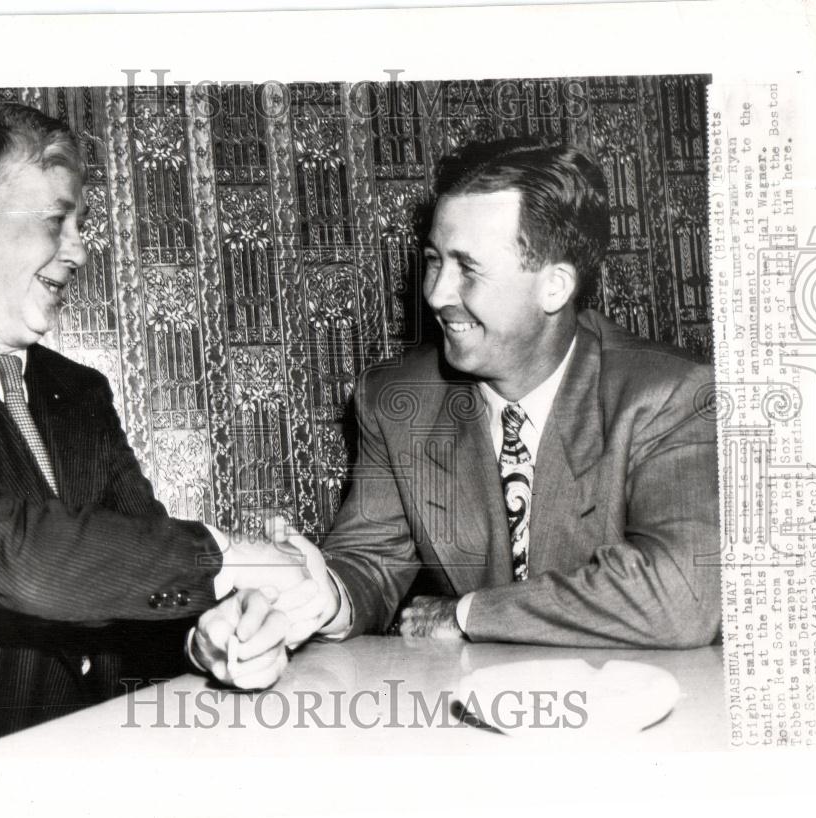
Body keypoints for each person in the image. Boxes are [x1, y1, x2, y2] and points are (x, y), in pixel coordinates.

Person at [0, 101, 326, 758]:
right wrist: (227, 556)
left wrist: (212, 638)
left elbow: (133, 570)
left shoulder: (80, 391)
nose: (80, 250)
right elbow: (16, 559)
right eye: (58, 221)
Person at [267, 138, 721, 650]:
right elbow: (368, 561)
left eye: (469, 268)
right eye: (435, 260)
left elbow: (682, 597)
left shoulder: (671, 395)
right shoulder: (397, 400)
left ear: (554, 287)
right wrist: (324, 594)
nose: (436, 294)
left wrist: (468, 614)